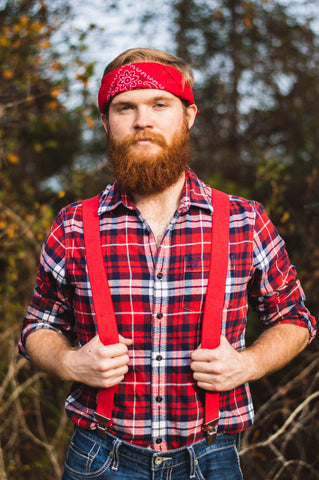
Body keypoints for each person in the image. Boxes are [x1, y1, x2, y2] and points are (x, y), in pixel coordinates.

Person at [19, 48, 316, 480]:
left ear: (188, 115)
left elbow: (296, 318)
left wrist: (248, 364)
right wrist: (69, 363)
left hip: (211, 458)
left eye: (159, 104)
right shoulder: (72, 226)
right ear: (106, 121)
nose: (143, 121)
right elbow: (36, 327)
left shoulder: (244, 220)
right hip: (100, 459)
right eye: (125, 107)